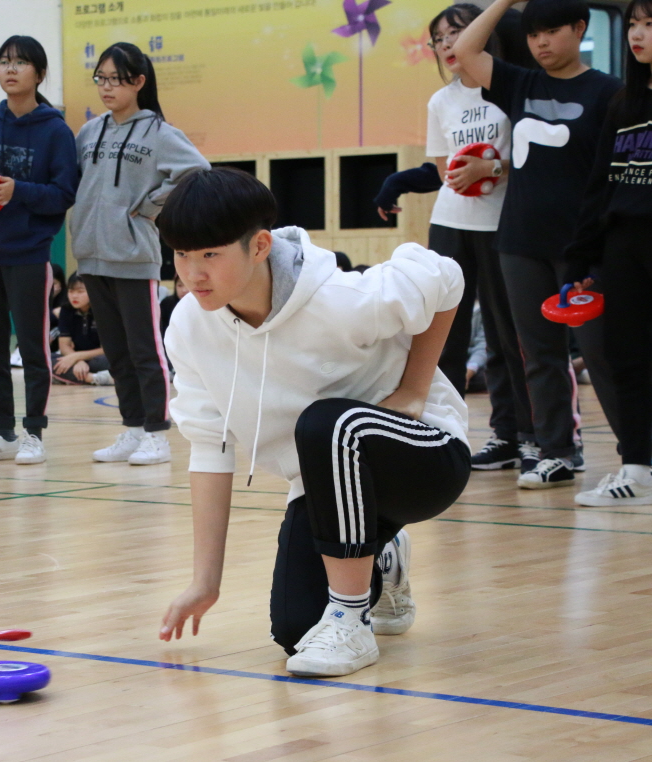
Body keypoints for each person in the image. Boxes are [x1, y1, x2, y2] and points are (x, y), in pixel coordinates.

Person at [157, 168, 469, 678]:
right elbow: (209, 445)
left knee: (326, 424)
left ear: (259, 246)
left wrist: (414, 389)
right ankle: (381, 558)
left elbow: (445, 276)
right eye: (182, 255)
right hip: (329, 488)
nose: (193, 274)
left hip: (424, 457)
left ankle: (351, 619)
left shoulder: (341, 300)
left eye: (210, 254)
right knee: (297, 630)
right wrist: (204, 581)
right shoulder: (189, 326)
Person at [454, 0, 624, 489]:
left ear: (580, 28)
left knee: (603, 355)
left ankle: (638, 454)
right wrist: (505, 2)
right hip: (519, 242)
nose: (542, 43)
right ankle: (557, 453)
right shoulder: (519, 83)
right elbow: (466, 49)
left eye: (552, 32)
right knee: (538, 353)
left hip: (585, 248)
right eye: (533, 35)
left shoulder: (610, 92)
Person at [71, 41, 210, 466]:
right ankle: (132, 429)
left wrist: (150, 206)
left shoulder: (160, 134)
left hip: (134, 256)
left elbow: (198, 171)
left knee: (144, 350)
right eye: (101, 78)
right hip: (91, 257)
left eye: (116, 79)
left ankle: (156, 435)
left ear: (139, 82)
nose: (107, 87)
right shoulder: (89, 132)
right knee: (116, 352)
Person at [421, 4, 536, 474]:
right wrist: (461, 175)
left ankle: (516, 434)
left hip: (501, 224)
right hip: (450, 223)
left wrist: (491, 168)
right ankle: (445, 437)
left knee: (506, 335)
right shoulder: (440, 101)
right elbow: (439, 166)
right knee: (441, 334)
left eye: (456, 33)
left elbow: (528, 162)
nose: (448, 45)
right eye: (439, 39)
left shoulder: (509, 89)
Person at [0, 35, 77, 466]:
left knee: (31, 347)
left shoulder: (55, 130)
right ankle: (3, 431)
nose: (10, 70)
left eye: (21, 63)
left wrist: (17, 190)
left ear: (39, 74)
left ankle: (34, 434)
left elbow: (63, 194)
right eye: (4, 62)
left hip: (28, 253)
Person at [566, 0, 652, 506]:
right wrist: (582, 261)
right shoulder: (623, 104)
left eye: (649, 24)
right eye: (634, 25)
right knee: (626, 358)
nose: (637, 34)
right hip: (623, 248)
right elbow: (599, 186)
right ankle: (637, 468)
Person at [52, 273, 112, 386]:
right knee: (47, 359)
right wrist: (78, 361)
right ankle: (94, 378)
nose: (74, 296)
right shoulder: (66, 310)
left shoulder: (103, 311)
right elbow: (64, 346)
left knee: (111, 361)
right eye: (71, 291)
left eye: (80, 292)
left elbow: (107, 349)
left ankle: (70, 377)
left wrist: (77, 357)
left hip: (97, 358)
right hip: (76, 359)